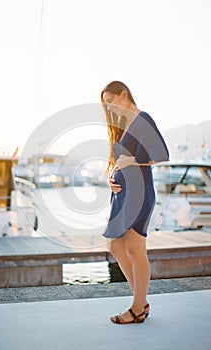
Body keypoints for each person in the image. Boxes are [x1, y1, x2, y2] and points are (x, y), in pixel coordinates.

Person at [101, 81, 169, 324]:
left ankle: (137, 308)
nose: (109, 107)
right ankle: (141, 302)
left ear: (124, 94)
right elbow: (119, 160)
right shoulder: (121, 124)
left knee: (135, 248)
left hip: (139, 193)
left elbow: (160, 154)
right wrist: (112, 177)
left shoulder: (143, 119)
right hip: (121, 194)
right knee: (116, 247)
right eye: (105, 104)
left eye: (111, 101)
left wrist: (132, 163)